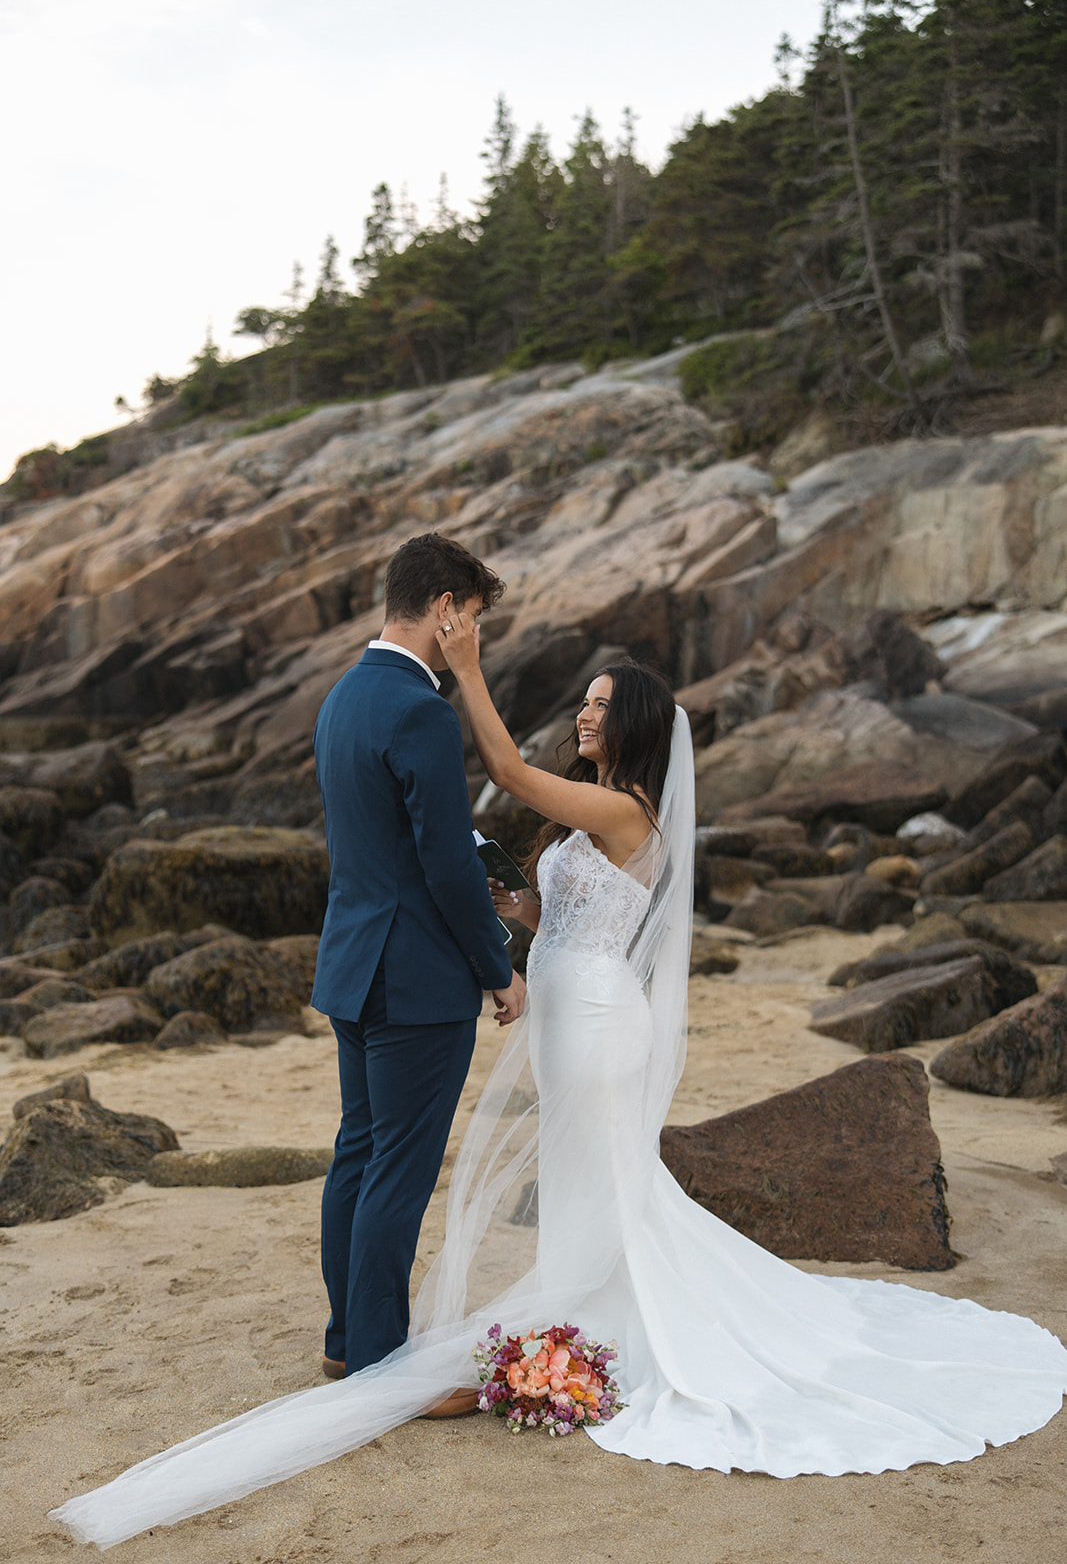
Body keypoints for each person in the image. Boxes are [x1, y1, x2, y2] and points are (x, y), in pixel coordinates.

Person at [51, 634, 1067, 1549]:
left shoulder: (627, 811)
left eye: (594, 704)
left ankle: (594, 1329)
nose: (580, 714)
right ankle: (580, 1311)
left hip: (594, 1022)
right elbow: (556, 913)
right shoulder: (601, 823)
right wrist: (508, 901)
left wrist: (470, 667)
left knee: (601, 1174)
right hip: (570, 1007)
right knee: (588, 1178)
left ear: (627, 724)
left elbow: (500, 768)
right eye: (579, 701)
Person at [309, 532, 525, 1396]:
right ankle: (379, 1362)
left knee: (357, 1157)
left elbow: (388, 846)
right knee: (396, 1170)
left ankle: (344, 1340)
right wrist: (497, 966)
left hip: (353, 966)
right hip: (418, 982)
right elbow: (441, 862)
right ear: (444, 611)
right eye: (470, 617)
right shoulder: (421, 711)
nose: (470, 631)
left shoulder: (343, 699)